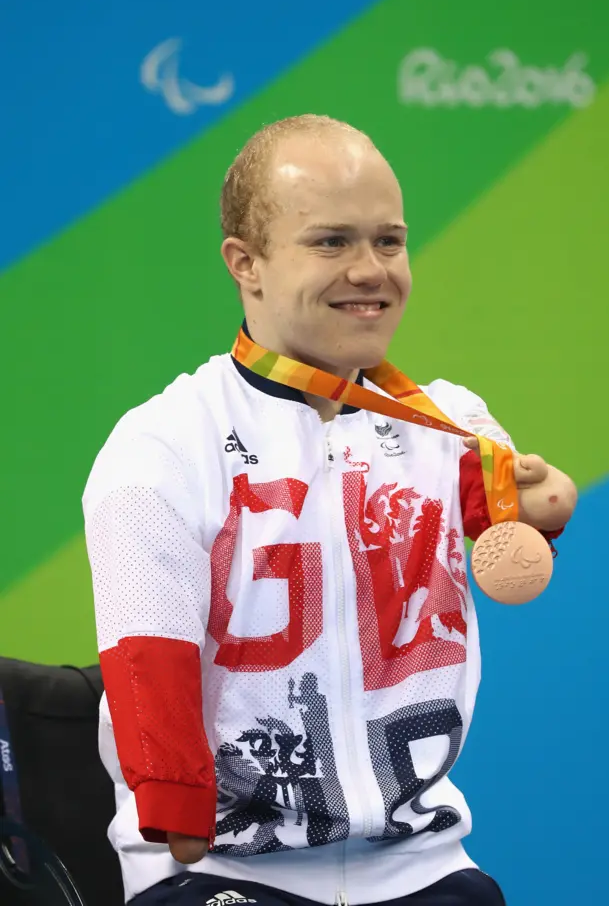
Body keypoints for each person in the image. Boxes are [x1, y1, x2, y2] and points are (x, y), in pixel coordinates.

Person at [83, 115, 577, 906]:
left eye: (389, 240)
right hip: (216, 867)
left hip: (420, 860)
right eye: (331, 242)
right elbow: (149, 656)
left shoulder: (453, 425)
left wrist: (542, 512)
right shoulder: (166, 442)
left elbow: (514, 549)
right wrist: (178, 823)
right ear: (246, 265)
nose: (370, 269)